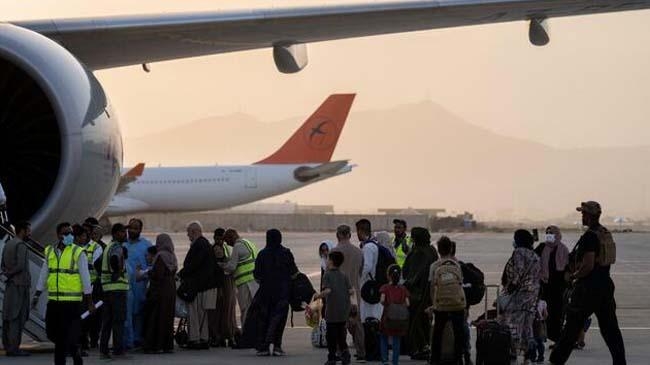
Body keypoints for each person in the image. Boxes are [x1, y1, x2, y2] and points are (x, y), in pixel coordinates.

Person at [550, 201, 626, 365]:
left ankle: (556, 361)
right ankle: (620, 362)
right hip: (605, 285)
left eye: (584, 213)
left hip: (588, 288)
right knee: (610, 329)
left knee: (571, 329)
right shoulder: (604, 233)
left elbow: (588, 265)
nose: (582, 216)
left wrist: (573, 276)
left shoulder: (590, 237)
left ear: (590, 216)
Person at [32, 224, 95, 365]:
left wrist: (89, 301)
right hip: (54, 301)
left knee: (61, 339)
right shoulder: (50, 251)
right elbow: (44, 274)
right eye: (65, 233)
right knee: (52, 333)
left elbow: (85, 278)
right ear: (58, 235)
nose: (69, 236)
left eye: (71, 233)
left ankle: (67, 358)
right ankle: (74, 350)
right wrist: (37, 294)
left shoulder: (78, 252)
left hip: (71, 303)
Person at [253, 229, 299, 356]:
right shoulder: (286, 253)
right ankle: (277, 346)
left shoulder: (262, 254)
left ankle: (264, 347)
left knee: (264, 319)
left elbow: (256, 275)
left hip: (265, 293)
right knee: (279, 319)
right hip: (283, 292)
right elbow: (294, 273)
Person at [179, 221, 222, 349]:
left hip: (199, 286)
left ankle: (195, 340)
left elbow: (194, 265)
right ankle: (203, 339)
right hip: (205, 285)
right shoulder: (204, 244)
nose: (188, 236)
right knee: (202, 314)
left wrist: (181, 274)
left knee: (194, 314)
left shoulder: (199, 244)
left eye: (188, 233)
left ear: (194, 231)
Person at [501, 229, 541, 364]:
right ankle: (528, 355)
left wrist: (510, 288)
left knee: (511, 323)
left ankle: (512, 352)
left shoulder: (519, 252)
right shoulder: (534, 255)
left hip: (520, 294)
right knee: (527, 325)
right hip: (532, 294)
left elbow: (518, 272)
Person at [428, 236, 466, 365]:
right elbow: (460, 283)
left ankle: (435, 359)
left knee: (438, 332)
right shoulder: (456, 265)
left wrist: (434, 304)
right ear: (450, 249)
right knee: (458, 332)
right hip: (457, 304)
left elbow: (432, 287)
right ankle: (458, 358)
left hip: (441, 305)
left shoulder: (434, 266)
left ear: (438, 250)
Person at [331, 225, 366, 362]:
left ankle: (341, 352)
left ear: (338, 235)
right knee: (357, 324)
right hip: (354, 292)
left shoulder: (334, 252)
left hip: (338, 292)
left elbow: (330, 273)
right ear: (350, 235)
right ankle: (361, 352)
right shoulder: (358, 252)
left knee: (339, 324)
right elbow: (361, 272)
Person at [403, 227, 438, 360]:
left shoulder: (419, 253)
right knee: (425, 321)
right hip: (429, 293)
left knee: (415, 321)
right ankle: (426, 346)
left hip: (417, 294)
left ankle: (419, 347)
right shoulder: (431, 250)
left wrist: (406, 284)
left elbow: (411, 274)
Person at [315, 250, 355, 365]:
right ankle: (345, 354)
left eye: (328, 259)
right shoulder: (344, 275)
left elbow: (328, 290)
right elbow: (351, 291)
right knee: (341, 335)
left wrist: (318, 295)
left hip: (332, 311)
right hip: (343, 310)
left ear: (331, 261)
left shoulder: (327, 275)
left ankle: (332, 357)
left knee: (331, 336)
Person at [99, 223, 130, 359]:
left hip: (107, 289)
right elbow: (114, 259)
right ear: (116, 233)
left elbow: (97, 263)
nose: (125, 234)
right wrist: (116, 271)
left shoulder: (108, 247)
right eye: (123, 232)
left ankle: (104, 349)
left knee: (107, 322)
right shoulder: (117, 247)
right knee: (119, 321)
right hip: (117, 289)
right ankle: (118, 350)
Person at [142, 233, 177, 354]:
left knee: (157, 317)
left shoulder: (160, 256)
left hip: (161, 290)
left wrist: (148, 273)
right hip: (171, 289)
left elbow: (158, 275)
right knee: (167, 317)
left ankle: (156, 345)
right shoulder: (172, 256)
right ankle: (167, 345)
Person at [534, 225, 569, 344]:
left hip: (558, 286)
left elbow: (567, 267)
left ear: (557, 235)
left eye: (551, 232)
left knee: (557, 313)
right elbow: (532, 258)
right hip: (544, 285)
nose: (549, 234)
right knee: (543, 313)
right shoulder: (542, 247)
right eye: (547, 232)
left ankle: (558, 340)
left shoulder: (563, 249)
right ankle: (545, 337)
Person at [1, 221, 32, 357]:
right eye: (28, 231)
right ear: (22, 231)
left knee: (8, 316)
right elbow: (21, 266)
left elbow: (2, 264)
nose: (30, 233)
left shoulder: (8, 244)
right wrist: (12, 273)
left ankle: (8, 345)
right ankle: (14, 348)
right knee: (17, 317)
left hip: (10, 285)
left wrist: (7, 274)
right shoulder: (21, 246)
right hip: (20, 285)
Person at [221, 228, 260, 326]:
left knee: (245, 310)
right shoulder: (248, 242)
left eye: (227, 241)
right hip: (255, 282)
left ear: (231, 238)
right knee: (255, 309)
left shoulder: (237, 247)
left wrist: (221, 265)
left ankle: (246, 335)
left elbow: (231, 267)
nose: (228, 244)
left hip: (245, 284)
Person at [357, 219, 383, 362]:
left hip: (369, 288)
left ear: (361, 231)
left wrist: (357, 277)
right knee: (374, 320)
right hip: (375, 285)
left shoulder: (368, 247)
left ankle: (373, 353)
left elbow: (366, 266)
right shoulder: (375, 244)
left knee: (369, 321)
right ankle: (375, 351)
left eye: (358, 232)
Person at [124, 218, 152, 348]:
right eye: (130, 227)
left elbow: (152, 264)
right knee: (127, 313)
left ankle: (138, 337)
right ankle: (128, 340)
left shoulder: (146, 245)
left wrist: (145, 274)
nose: (131, 230)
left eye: (135, 228)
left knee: (139, 311)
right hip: (125, 285)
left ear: (140, 230)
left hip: (140, 285)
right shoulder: (123, 244)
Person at [208, 228, 238, 347]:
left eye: (222, 238)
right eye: (218, 238)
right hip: (222, 284)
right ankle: (223, 335)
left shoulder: (223, 247)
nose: (220, 240)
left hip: (225, 283)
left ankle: (225, 335)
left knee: (225, 310)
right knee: (224, 310)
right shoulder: (216, 248)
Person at [78, 220, 104, 354]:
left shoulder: (97, 247)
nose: (87, 235)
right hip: (78, 287)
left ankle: (93, 339)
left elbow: (93, 264)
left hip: (93, 286)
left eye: (88, 232)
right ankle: (83, 341)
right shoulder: (75, 247)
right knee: (82, 316)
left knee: (94, 315)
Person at [379, 265, 410, 365]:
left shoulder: (385, 287)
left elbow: (382, 300)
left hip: (387, 317)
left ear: (388, 276)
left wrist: (389, 305)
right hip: (400, 318)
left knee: (384, 336)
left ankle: (385, 360)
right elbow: (408, 303)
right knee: (397, 339)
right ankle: (395, 361)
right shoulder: (403, 288)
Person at [528, 293, 548, 363]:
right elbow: (546, 315)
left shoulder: (529, 302)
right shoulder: (543, 302)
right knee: (540, 342)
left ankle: (533, 357)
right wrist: (541, 319)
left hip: (531, 324)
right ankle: (540, 357)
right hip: (540, 324)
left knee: (532, 341)